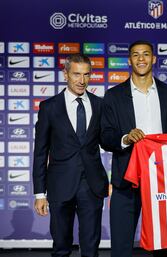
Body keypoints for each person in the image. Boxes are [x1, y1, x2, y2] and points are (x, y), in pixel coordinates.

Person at [100, 40, 167, 257]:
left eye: (146, 54)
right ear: (129, 60)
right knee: (121, 246)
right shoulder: (113, 96)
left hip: (164, 181)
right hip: (126, 179)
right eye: (136, 55)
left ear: (154, 59)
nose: (141, 59)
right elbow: (105, 136)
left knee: (165, 246)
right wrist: (126, 138)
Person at [33, 53, 109, 257]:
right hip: (59, 185)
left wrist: (124, 139)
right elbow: (40, 152)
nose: (82, 80)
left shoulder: (99, 104)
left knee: (91, 249)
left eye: (86, 75)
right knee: (60, 247)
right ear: (65, 74)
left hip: (91, 185)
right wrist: (40, 194)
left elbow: (105, 139)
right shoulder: (49, 107)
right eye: (76, 74)